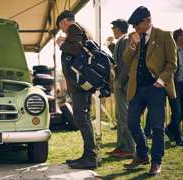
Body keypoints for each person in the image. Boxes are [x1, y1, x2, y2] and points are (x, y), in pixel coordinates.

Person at [123, 6, 177, 175]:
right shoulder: (134, 38)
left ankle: (156, 161)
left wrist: (161, 81)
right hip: (137, 88)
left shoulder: (164, 35)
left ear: (147, 21)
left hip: (156, 89)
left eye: (137, 25)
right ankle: (142, 154)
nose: (134, 29)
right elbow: (126, 60)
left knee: (157, 127)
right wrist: (133, 44)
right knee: (131, 122)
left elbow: (172, 63)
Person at [56, 10, 97, 170]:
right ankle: (88, 155)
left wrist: (61, 43)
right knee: (84, 118)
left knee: (81, 119)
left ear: (64, 22)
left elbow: (75, 50)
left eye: (61, 26)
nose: (62, 30)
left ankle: (90, 157)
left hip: (80, 85)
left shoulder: (74, 28)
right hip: (83, 83)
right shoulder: (82, 29)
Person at [106, 19, 135, 158]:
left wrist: (119, 82)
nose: (112, 31)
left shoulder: (125, 40)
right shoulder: (122, 40)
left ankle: (129, 148)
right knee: (120, 116)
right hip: (120, 83)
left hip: (123, 83)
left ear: (118, 29)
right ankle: (120, 146)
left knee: (124, 117)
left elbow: (126, 64)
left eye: (113, 28)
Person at [165, 28, 183, 146]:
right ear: (178, 37)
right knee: (177, 112)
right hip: (174, 85)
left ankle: (168, 129)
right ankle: (178, 139)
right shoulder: (172, 50)